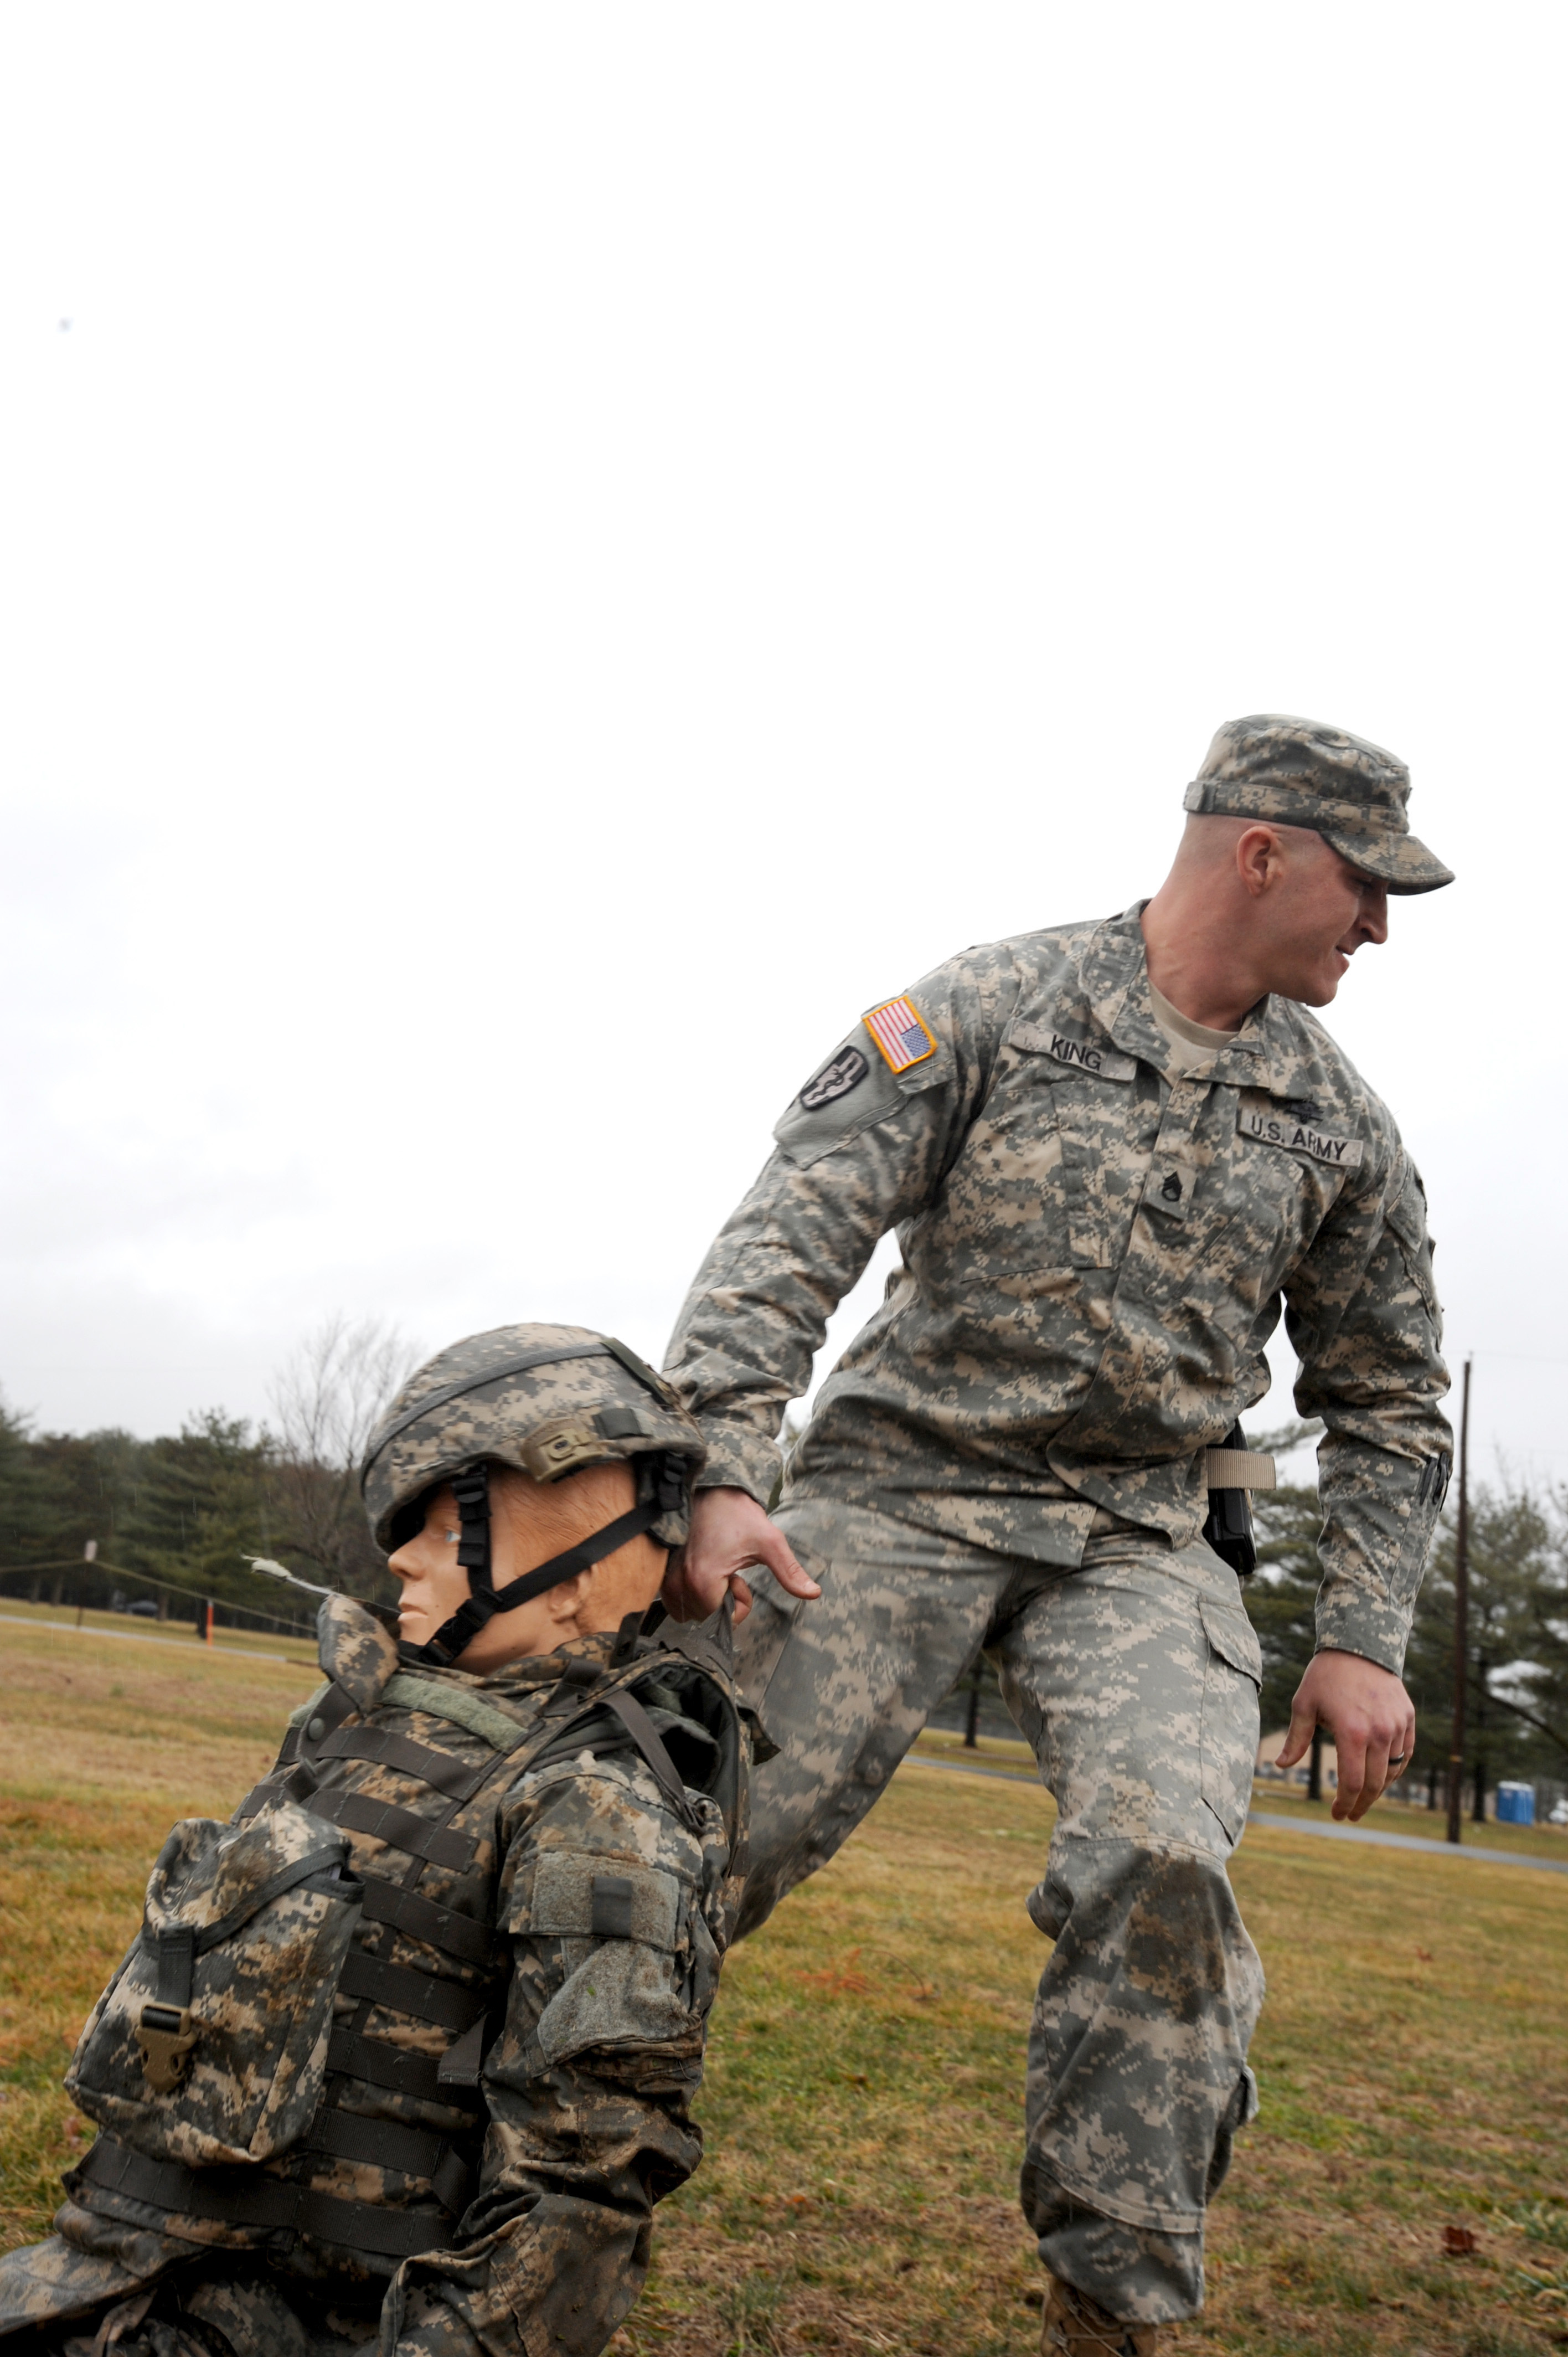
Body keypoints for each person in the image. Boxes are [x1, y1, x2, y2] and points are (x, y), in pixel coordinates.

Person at [661, 715, 1454, 2354]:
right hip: (898, 1494)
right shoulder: (987, 1009)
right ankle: (500, 2186)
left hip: (1137, 1538)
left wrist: (1363, 1633)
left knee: (1164, 1862)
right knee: (679, 1840)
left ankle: (1118, 2316)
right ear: (1262, 853)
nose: (1379, 926)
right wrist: (723, 1471)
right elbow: (786, 1240)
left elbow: (1392, 1402)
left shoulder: (1341, 1128)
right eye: (1366, 887)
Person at [0, 1324, 747, 2357]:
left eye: (447, 1531)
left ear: (573, 1579)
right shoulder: (348, 1726)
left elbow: (580, 2194)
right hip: (124, 2280)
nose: (399, 1557)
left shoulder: (595, 1807)